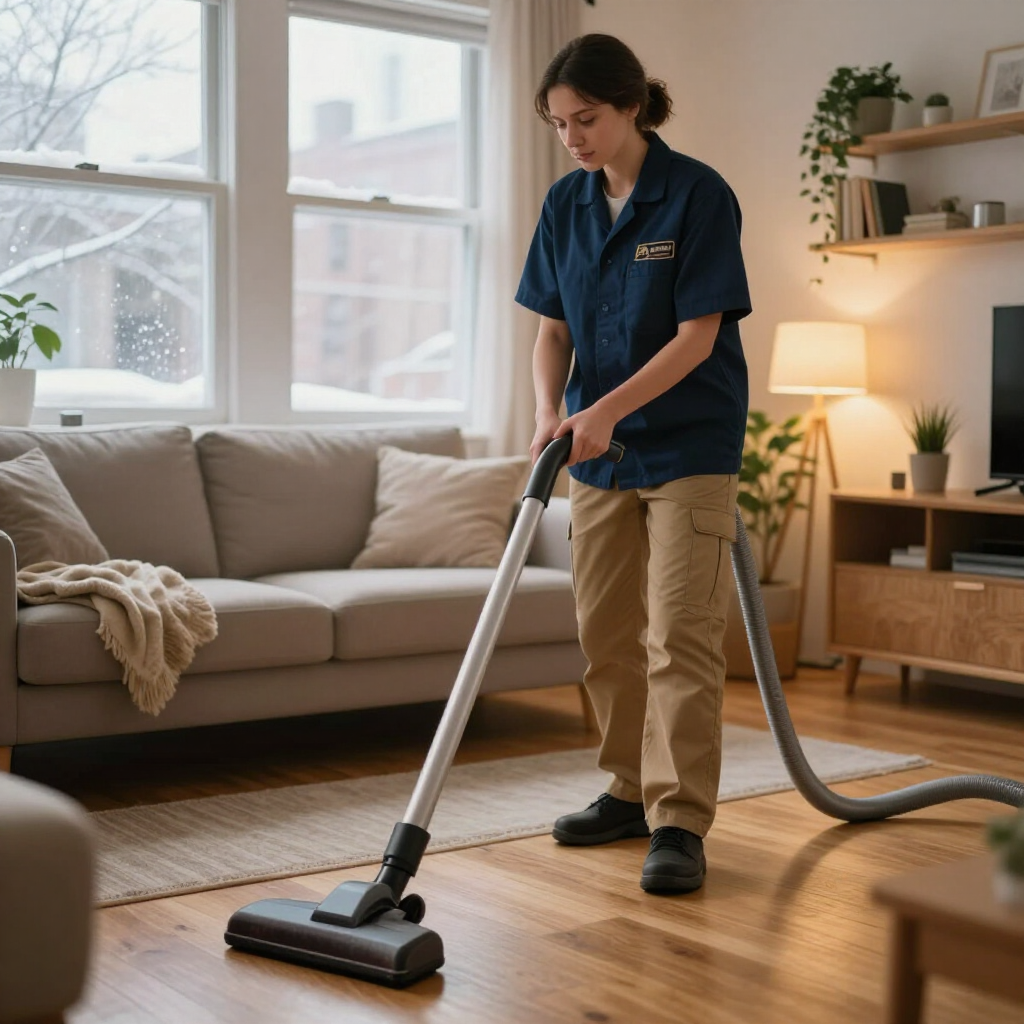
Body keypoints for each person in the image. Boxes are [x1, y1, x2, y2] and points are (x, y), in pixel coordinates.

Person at [514, 34, 751, 894]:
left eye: (588, 119)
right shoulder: (564, 206)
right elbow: (551, 330)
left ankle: (679, 820)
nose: (573, 138)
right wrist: (550, 410)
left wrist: (601, 411)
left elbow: (699, 337)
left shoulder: (697, 196)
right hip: (594, 450)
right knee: (605, 632)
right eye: (558, 123)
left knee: (679, 634)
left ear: (632, 108)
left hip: (688, 443)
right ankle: (626, 789)